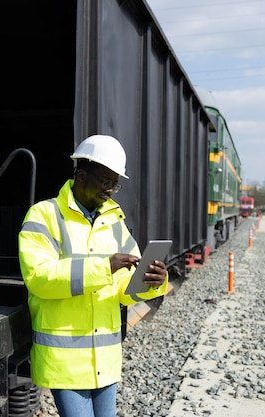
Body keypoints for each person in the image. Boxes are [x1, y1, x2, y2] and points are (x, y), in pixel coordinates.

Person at [18, 134, 168, 417]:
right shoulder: (44, 215)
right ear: (82, 175)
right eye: (107, 182)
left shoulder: (114, 220)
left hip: (106, 359)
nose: (111, 190)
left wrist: (152, 282)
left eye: (116, 184)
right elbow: (39, 278)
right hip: (66, 361)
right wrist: (104, 267)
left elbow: (125, 289)